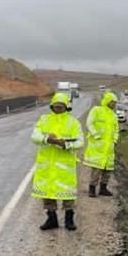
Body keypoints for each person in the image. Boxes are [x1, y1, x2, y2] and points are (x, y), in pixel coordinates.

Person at [30, 92, 84, 230]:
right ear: (52, 106)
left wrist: (65, 144)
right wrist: (47, 139)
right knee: (47, 193)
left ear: (66, 106)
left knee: (68, 194)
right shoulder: (44, 120)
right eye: (56, 105)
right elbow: (34, 136)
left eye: (61, 105)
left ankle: (69, 220)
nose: (58, 107)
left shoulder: (73, 122)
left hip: (65, 166)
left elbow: (80, 142)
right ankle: (51, 219)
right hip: (47, 165)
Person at [83, 91, 119, 197]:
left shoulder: (114, 116)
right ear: (107, 101)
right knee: (96, 169)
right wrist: (96, 135)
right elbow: (89, 122)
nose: (114, 104)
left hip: (109, 148)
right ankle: (92, 189)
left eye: (115, 102)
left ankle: (103, 188)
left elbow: (116, 129)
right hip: (97, 147)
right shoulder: (97, 110)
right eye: (112, 102)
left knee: (108, 170)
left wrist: (115, 140)